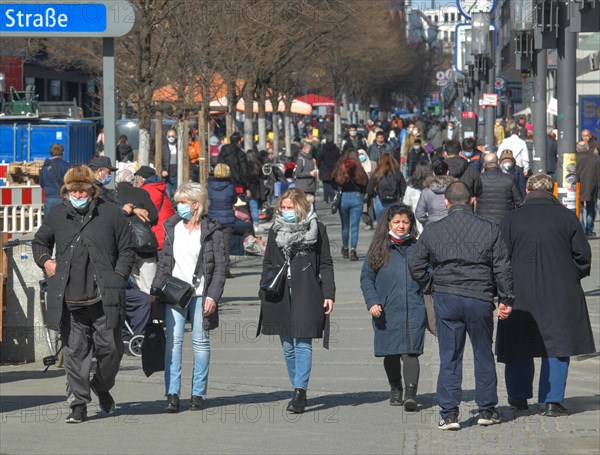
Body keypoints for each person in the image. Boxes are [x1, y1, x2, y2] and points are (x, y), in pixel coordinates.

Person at [32, 165, 136, 423]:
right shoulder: (57, 214)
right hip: (69, 299)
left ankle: (101, 386)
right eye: (73, 191)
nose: (78, 195)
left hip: (104, 298)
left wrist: (119, 276)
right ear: (66, 191)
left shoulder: (110, 213)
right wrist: (46, 261)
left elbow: (127, 247)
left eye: (82, 191)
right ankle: (78, 404)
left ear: (92, 190)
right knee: (75, 355)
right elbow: (39, 242)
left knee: (111, 351)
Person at [409, 181, 514, 430]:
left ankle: (449, 414)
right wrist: (506, 299)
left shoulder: (433, 230)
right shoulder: (489, 228)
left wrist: (431, 284)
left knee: (450, 357)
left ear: (446, 202)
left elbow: (415, 265)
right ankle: (487, 409)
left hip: (446, 297)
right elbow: (502, 267)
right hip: (479, 297)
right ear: (472, 201)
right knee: (483, 354)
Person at [497, 174, 595, 416]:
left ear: (527, 189)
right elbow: (583, 256)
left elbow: (500, 258)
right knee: (558, 345)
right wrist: (572, 277)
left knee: (518, 343)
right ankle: (552, 401)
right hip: (560, 293)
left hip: (519, 292)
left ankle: (518, 397)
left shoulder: (511, 218)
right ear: (552, 190)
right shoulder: (567, 217)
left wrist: (502, 289)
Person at [150, 183, 227, 413]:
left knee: (200, 343)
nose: (178, 206)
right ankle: (172, 394)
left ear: (196, 204)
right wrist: (155, 292)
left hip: (201, 294)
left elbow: (221, 267)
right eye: (178, 202)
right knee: (173, 343)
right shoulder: (173, 227)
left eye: (183, 202)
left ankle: (198, 394)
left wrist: (213, 296)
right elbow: (164, 263)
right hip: (174, 293)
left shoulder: (212, 230)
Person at [257, 188, 335, 414]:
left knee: (302, 342)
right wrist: (263, 290)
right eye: (283, 207)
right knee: (287, 345)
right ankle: (296, 387)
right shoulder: (275, 230)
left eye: (290, 207)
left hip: (307, 291)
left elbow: (326, 264)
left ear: (300, 207)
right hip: (279, 293)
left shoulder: (317, 230)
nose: (285, 211)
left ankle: (300, 391)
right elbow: (267, 262)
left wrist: (329, 293)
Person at [360, 205, 425, 411]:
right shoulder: (379, 248)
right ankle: (396, 387)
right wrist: (372, 301)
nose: (401, 226)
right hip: (386, 309)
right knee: (391, 353)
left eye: (405, 222)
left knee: (411, 352)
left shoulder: (419, 247)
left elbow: (430, 273)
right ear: (388, 223)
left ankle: (411, 393)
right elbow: (367, 278)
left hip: (414, 308)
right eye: (397, 222)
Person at [116, 169, 159, 294]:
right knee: (149, 282)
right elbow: (154, 216)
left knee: (131, 284)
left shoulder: (113, 195)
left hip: (123, 244)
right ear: (132, 180)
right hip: (144, 244)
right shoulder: (141, 192)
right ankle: (150, 309)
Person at [332, 152, 369, 261]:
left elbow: (333, 182)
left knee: (345, 226)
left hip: (343, 197)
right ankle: (353, 250)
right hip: (356, 198)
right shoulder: (359, 170)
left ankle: (345, 247)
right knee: (355, 226)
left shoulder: (341, 171)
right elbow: (365, 183)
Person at [135, 165, 175, 252]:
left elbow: (147, 212)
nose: (136, 181)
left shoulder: (149, 190)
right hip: (166, 231)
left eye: (137, 178)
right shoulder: (157, 187)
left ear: (141, 178)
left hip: (159, 235)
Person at [207, 163, 236, 278]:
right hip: (227, 217)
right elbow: (233, 199)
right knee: (225, 246)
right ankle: (225, 270)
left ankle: (213, 269)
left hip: (212, 217)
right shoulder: (230, 185)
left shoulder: (209, 185)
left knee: (214, 245)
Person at [476, 154, 522, 225]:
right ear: (498, 162)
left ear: (484, 165)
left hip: (482, 221)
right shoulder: (509, 179)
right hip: (504, 221)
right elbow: (519, 202)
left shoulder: (478, 179)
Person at [366, 154, 407, 221]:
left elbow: (369, 189)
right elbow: (404, 189)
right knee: (394, 223)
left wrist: (375, 195)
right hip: (395, 201)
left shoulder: (377, 173)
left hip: (381, 201)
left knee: (380, 225)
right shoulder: (398, 173)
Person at [415, 161, 456, 227]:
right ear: (447, 172)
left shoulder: (426, 191)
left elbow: (420, 214)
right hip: (451, 225)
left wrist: (427, 223)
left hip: (432, 225)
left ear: (433, 173)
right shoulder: (455, 190)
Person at [576, 141, 599, 237]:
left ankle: (581, 230)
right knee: (591, 209)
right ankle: (589, 230)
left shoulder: (574, 158)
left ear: (577, 149)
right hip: (592, 186)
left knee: (580, 209)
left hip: (578, 186)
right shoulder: (595, 158)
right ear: (587, 148)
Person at [40, 143, 70, 215]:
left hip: (49, 198)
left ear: (51, 153)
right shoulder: (67, 166)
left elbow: (42, 183)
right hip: (63, 198)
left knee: (49, 224)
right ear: (63, 153)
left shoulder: (45, 167)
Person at [403, 161, 431, 235]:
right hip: (431, 222)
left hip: (416, 223)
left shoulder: (410, 188)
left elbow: (406, 205)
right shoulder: (432, 187)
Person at [316, 135, 340, 203]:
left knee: (325, 184)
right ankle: (332, 198)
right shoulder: (336, 149)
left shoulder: (323, 149)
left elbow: (319, 158)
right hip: (333, 168)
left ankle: (326, 199)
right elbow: (339, 159)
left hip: (324, 169)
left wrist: (319, 166)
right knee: (332, 184)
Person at [161, 129, 179, 197]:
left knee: (177, 197)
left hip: (178, 176)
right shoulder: (163, 148)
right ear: (166, 137)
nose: (171, 138)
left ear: (176, 136)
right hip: (167, 177)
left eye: (172, 136)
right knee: (167, 196)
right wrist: (163, 170)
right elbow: (159, 161)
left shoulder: (179, 147)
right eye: (169, 136)